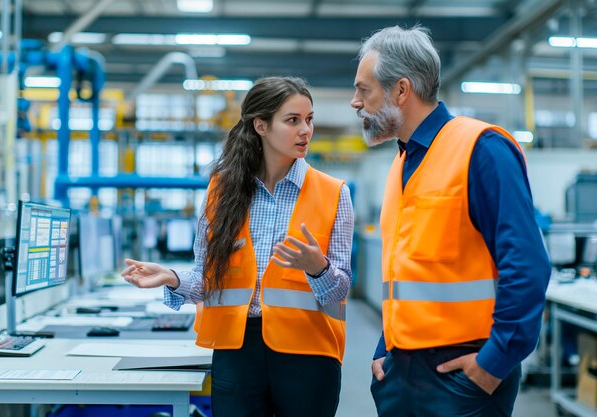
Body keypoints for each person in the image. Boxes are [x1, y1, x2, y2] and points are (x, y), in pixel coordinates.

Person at [122, 76, 354, 417]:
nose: (306, 130)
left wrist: (317, 267)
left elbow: (340, 291)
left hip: (309, 355)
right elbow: (209, 280)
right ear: (261, 125)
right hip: (237, 350)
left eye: (309, 119)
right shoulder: (221, 191)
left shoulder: (334, 193)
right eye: (293, 120)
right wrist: (171, 277)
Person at [350, 26, 551, 417]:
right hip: (400, 373)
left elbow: (527, 267)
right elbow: (406, 273)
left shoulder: (482, 149)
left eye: (364, 90)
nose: (355, 102)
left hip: (463, 378)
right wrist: (384, 350)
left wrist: (492, 365)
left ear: (401, 90)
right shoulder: (402, 163)